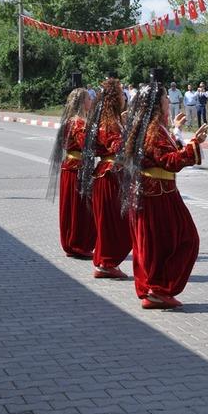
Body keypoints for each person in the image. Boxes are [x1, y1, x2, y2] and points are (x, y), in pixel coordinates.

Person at [120, 83, 208, 310]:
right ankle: (158, 288)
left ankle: (155, 287)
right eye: (165, 99)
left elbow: (167, 153)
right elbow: (170, 161)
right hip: (159, 195)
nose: (168, 101)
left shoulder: (153, 127)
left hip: (158, 192)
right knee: (183, 240)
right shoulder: (153, 130)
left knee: (159, 244)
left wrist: (183, 135)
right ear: (157, 104)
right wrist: (194, 145)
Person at [78, 77, 132, 280]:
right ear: (114, 98)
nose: (124, 97)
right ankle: (106, 263)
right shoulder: (109, 123)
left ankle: (104, 262)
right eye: (120, 93)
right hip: (110, 175)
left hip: (110, 174)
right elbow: (118, 147)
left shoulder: (112, 119)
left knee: (111, 224)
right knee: (117, 225)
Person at [47, 88, 96, 259]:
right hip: (77, 169)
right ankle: (78, 244)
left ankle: (71, 242)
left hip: (69, 167)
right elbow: (88, 146)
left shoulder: (69, 121)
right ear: (83, 102)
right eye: (89, 99)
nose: (91, 102)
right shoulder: (79, 124)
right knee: (79, 208)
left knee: (70, 207)